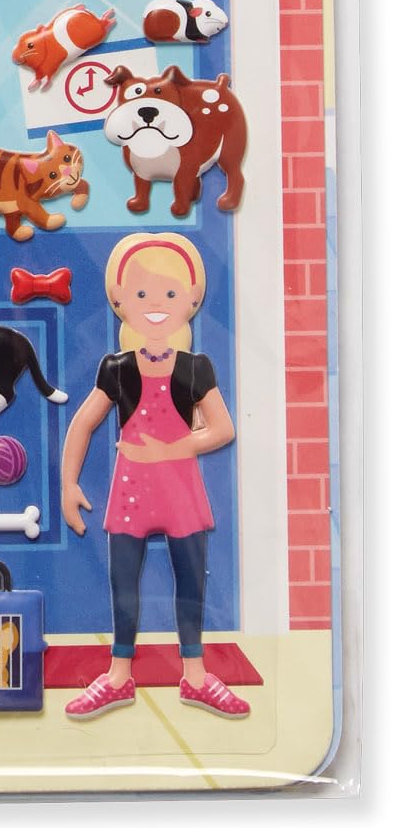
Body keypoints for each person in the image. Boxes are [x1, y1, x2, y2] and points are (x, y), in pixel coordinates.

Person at [58, 233, 249, 722]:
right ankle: (118, 675)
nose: (156, 304)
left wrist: (172, 448)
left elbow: (223, 429)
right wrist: (68, 485)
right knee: (123, 583)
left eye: (169, 293)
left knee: (191, 582)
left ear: (192, 299)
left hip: (182, 491)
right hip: (130, 492)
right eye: (142, 294)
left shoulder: (196, 368)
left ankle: (196, 675)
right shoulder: (117, 369)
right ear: (120, 300)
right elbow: (82, 423)